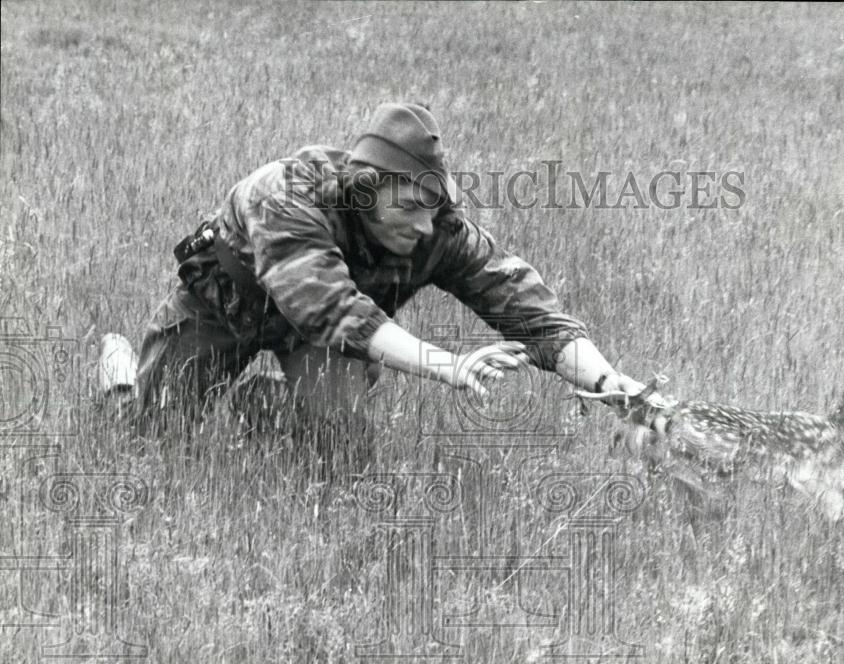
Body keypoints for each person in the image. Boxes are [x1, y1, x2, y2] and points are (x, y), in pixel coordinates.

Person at [131, 102, 669, 454]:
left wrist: (610, 383)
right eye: (410, 207)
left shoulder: (439, 229)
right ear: (365, 188)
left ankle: (263, 405)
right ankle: (120, 369)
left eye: (433, 208)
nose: (424, 225)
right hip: (226, 304)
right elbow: (333, 307)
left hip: (317, 338)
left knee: (338, 444)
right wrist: (450, 366)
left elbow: (532, 314)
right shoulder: (289, 194)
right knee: (148, 431)